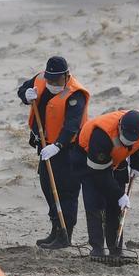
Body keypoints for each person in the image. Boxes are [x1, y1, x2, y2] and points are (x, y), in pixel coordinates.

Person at [17, 56, 90, 249]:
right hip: (45, 146)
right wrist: (26, 95)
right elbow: (22, 89)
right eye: (49, 79)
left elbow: (72, 126)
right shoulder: (41, 79)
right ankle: (55, 230)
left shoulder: (76, 94)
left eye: (55, 81)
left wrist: (57, 146)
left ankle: (66, 235)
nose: (51, 84)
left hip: (69, 150)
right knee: (48, 186)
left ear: (66, 76)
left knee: (66, 191)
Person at [73, 110, 139, 258]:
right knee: (95, 202)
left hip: (118, 158)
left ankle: (116, 249)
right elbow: (99, 174)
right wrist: (119, 194)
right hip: (88, 157)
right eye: (126, 138)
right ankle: (97, 248)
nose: (129, 141)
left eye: (132, 139)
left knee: (116, 207)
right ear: (120, 127)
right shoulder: (101, 136)